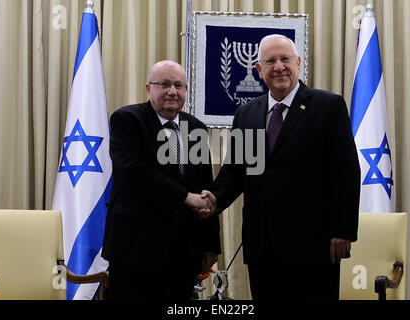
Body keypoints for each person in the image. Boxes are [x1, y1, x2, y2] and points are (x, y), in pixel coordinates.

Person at [201, 34, 360, 300]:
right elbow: (236, 173)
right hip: (263, 244)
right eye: (270, 61)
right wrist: (212, 200)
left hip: (314, 245)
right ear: (258, 70)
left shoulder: (328, 106)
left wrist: (343, 230)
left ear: (298, 62)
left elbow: (346, 172)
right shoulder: (247, 113)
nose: (279, 66)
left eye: (285, 59)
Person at [102, 60, 220, 300]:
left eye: (179, 85)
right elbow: (134, 172)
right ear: (149, 88)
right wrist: (186, 198)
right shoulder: (127, 120)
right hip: (134, 249)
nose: (172, 91)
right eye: (164, 84)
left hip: (183, 251)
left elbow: (204, 187)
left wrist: (210, 244)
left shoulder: (195, 127)